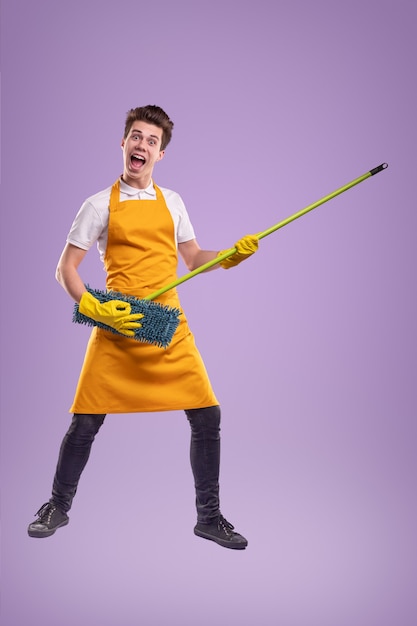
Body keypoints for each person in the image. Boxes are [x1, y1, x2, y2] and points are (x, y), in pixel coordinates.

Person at [27, 105, 258, 550]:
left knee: (207, 415)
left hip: (166, 325)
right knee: (85, 422)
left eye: (152, 141)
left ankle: (209, 518)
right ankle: (57, 506)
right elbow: (65, 270)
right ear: (123, 143)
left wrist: (231, 255)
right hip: (118, 323)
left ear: (161, 153)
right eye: (136, 136)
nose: (142, 145)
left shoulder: (173, 202)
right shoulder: (97, 205)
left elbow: (192, 259)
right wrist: (96, 307)